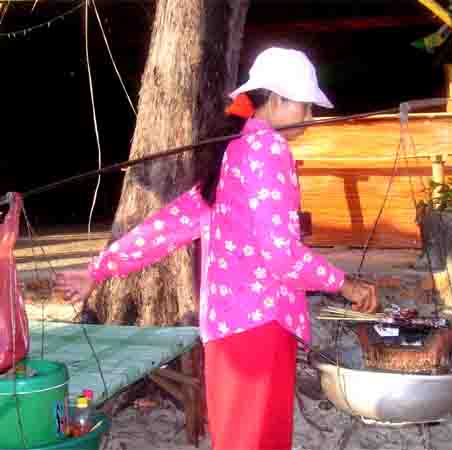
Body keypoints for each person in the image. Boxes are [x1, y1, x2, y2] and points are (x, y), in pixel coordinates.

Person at [55, 47, 378, 450]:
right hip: (260, 329)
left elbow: (168, 225)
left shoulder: (232, 151)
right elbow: (282, 256)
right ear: (276, 98)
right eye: (305, 106)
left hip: (227, 331)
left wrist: (99, 269)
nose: (310, 117)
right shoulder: (268, 149)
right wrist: (345, 284)